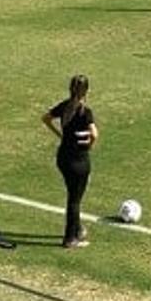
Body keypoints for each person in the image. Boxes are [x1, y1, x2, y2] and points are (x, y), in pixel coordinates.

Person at [42, 75, 97, 248]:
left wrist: (60, 134)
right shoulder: (84, 112)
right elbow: (94, 134)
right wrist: (89, 144)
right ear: (86, 91)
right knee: (74, 200)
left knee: (73, 195)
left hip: (63, 158)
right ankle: (70, 238)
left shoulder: (65, 106)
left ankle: (78, 229)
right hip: (79, 162)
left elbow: (46, 118)